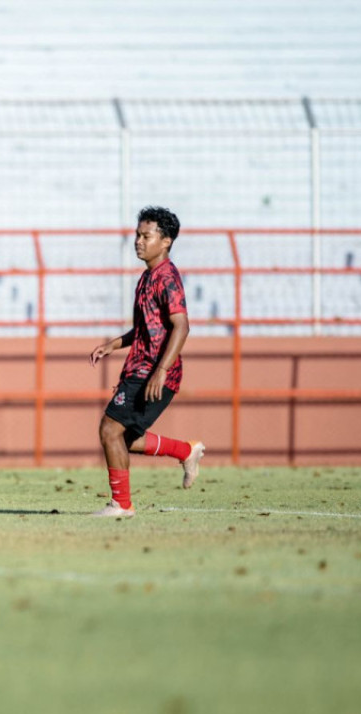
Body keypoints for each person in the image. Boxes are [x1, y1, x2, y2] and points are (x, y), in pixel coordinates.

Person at [88, 207, 205, 517]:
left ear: (165, 241)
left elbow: (181, 325)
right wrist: (113, 345)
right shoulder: (146, 277)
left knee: (110, 430)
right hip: (139, 368)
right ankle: (185, 451)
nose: (138, 241)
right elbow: (145, 329)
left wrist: (161, 371)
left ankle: (121, 505)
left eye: (146, 236)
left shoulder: (167, 277)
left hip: (152, 371)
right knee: (123, 437)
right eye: (137, 235)